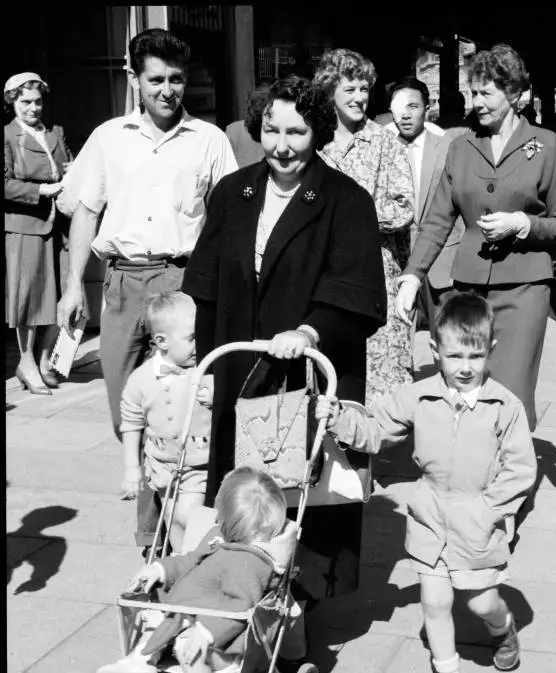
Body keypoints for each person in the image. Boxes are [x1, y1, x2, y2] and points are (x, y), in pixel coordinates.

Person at [181, 75, 386, 609]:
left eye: (296, 131)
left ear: (318, 131)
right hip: (240, 365)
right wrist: (202, 371)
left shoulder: (346, 199)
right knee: (245, 493)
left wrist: (309, 330)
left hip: (306, 372)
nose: (281, 145)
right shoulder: (233, 191)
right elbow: (203, 285)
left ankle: (296, 609)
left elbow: (360, 294)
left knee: (304, 498)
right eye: (271, 130)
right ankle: (239, 591)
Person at [56, 28, 237, 548]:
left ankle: (165, 532)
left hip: (182, 283)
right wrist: (74, 289)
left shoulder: (209, 140)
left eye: (176, 79)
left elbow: (227, 218)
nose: (166, 90)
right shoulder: (108, 137)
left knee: (181, 411)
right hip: (121, 285)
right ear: (135, 80)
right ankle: (158, 503)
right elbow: (85, 212)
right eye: (155, 79)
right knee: (127, 411)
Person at [317, 292, 536, 673]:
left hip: (478, 520)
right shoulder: (420, 395)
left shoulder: (505, 406)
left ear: (490, 350)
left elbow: (520, 470)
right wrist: (339, 420)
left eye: (475, 355)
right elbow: (376, 427)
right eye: (455, 356)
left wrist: (488, 511)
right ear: (435, 351)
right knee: (434, 602)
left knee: (481, 601)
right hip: (430, 514)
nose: (466, 367)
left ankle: (502, 627)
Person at [396, 43, 556, 430]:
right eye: (473, 93)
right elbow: (436, 220)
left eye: (486, 93)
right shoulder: (460, 147)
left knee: (509, 392)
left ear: (513, 94)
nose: (476, 102)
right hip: (468, 289)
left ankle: (514, 483)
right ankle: (476, 477)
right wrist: (413, 274)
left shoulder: (546, 145)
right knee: (466, 391)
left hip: (526, 287)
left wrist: (524, 225)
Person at [83, 467, 299, 673]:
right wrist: (159, 570)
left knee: (189, 647)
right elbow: (188, 561)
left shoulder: (251, 562)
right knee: (154, 616)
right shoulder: (219, 538)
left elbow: (241, 607)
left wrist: (206, 632)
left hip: (224, 645)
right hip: (188, 614)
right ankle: (140, 662)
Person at [313, 49, 415, 403]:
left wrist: (353, 218)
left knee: (380, 383)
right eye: (350, 89)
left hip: (378, 276)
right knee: (328, 376)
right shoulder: (313, 143)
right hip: (323, 274)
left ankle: (370, 455)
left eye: (364, 89)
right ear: (329, 92)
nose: (360, 97)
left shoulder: (385, 142)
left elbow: (404, 208)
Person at [119, 291, 212, 554]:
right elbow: (131, 423)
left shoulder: (206, 370)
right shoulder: (141, 379)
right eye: (191, 338)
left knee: (190, 514)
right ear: (161, 341)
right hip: (161, 463)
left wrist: (213, 396)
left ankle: (196, 562)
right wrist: (131, 469)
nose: (199, 344)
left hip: (199, 462)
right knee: (171, 518)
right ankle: (180, 570)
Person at [387, 76, 468, 340]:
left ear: (428, 107)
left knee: (447, 341)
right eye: (399, 107)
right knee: (395, 347)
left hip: (441, 261)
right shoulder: (381, 146)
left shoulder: (449, 144)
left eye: (413, 106)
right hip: (395, 261)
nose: (405, 115)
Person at [5, 71, 70, 394]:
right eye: (25, 102)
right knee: (28, 297)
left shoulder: (55, 133)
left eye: (38, 101)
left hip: (59, 225)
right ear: (12, 102)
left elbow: (68, 165)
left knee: (58, 295)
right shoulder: (6, 136)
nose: (33, 108)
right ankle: (26, 361)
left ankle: (45, 359)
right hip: (25, 227)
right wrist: (44, 190)